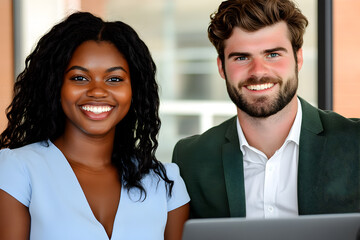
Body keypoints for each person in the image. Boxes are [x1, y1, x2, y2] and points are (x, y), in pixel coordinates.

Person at [0, 12, 189, 240]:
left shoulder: (165, 182)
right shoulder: (18, 170)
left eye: (114, 79)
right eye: (80, 78)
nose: (98, 91)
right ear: (55, 85)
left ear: (134, 90)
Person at [172, 0, 360, 219]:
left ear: (298, 58)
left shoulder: (355, 143)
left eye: (272, 54)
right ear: (221, 67)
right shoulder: (191, 159)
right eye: (241, 57)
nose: (258, 72)